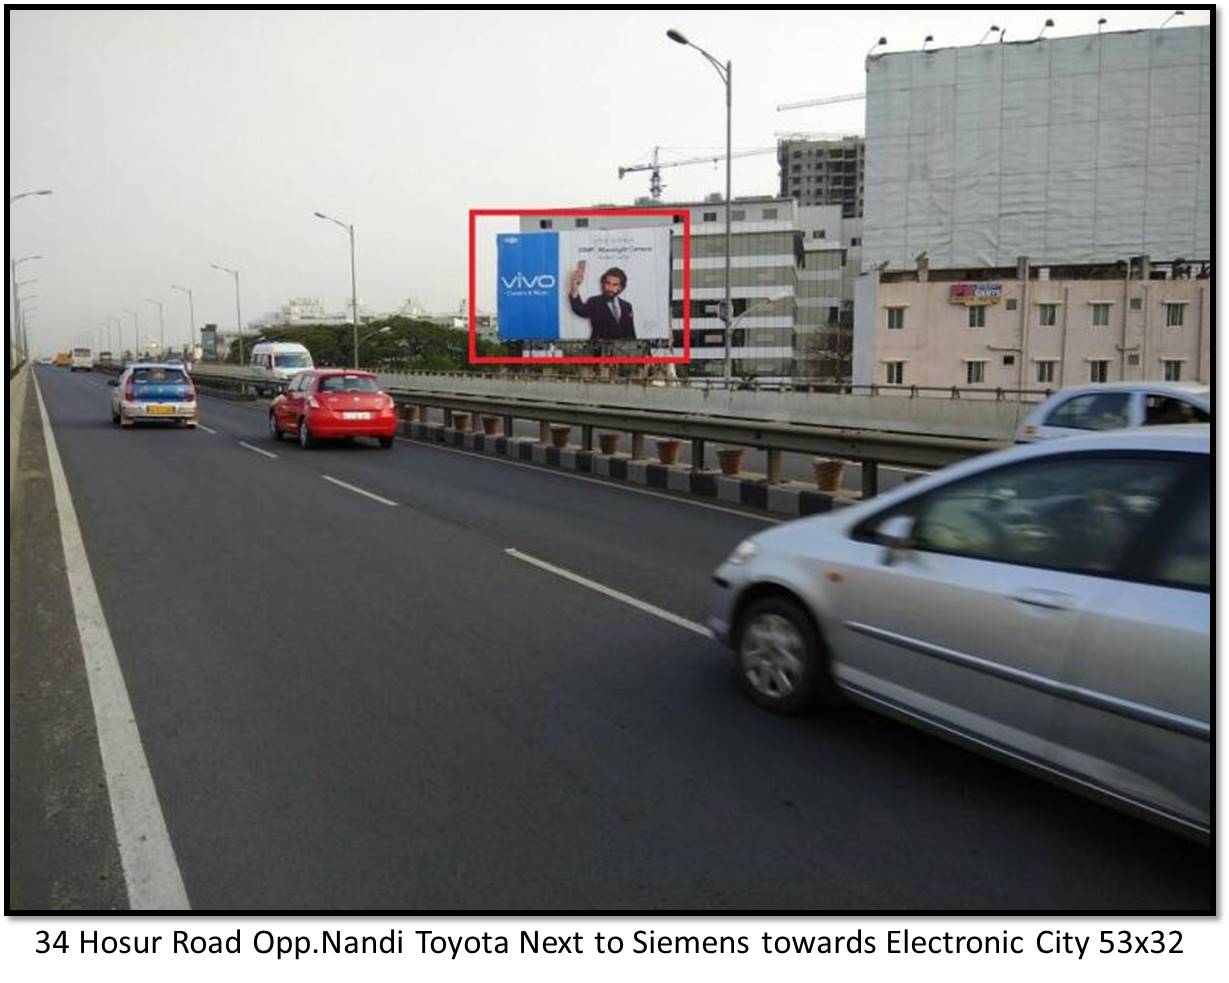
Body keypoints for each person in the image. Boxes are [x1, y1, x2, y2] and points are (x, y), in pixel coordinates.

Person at [567, 263, 636, 340]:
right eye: (608, 283)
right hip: (599, 350)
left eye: (615, 284)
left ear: (620, 287)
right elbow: (579, 309)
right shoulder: (594, 302)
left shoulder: (627, 306)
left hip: (622, 351)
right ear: (603, 284)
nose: (610, 288)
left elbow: (631, 333)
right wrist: (574, 288)